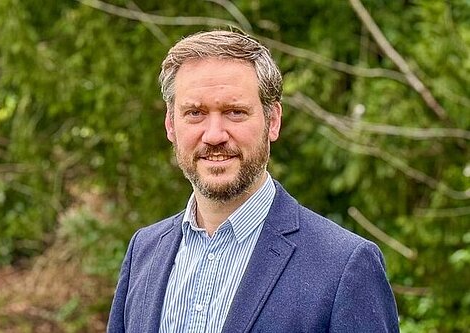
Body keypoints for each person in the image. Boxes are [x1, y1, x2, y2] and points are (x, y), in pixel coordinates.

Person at [107, 30, 399, 333]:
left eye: (235, 112)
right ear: (171, 125)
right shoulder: (144, 251)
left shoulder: (344, 265)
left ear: (273, 121)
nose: (214, 135)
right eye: (195, 113)